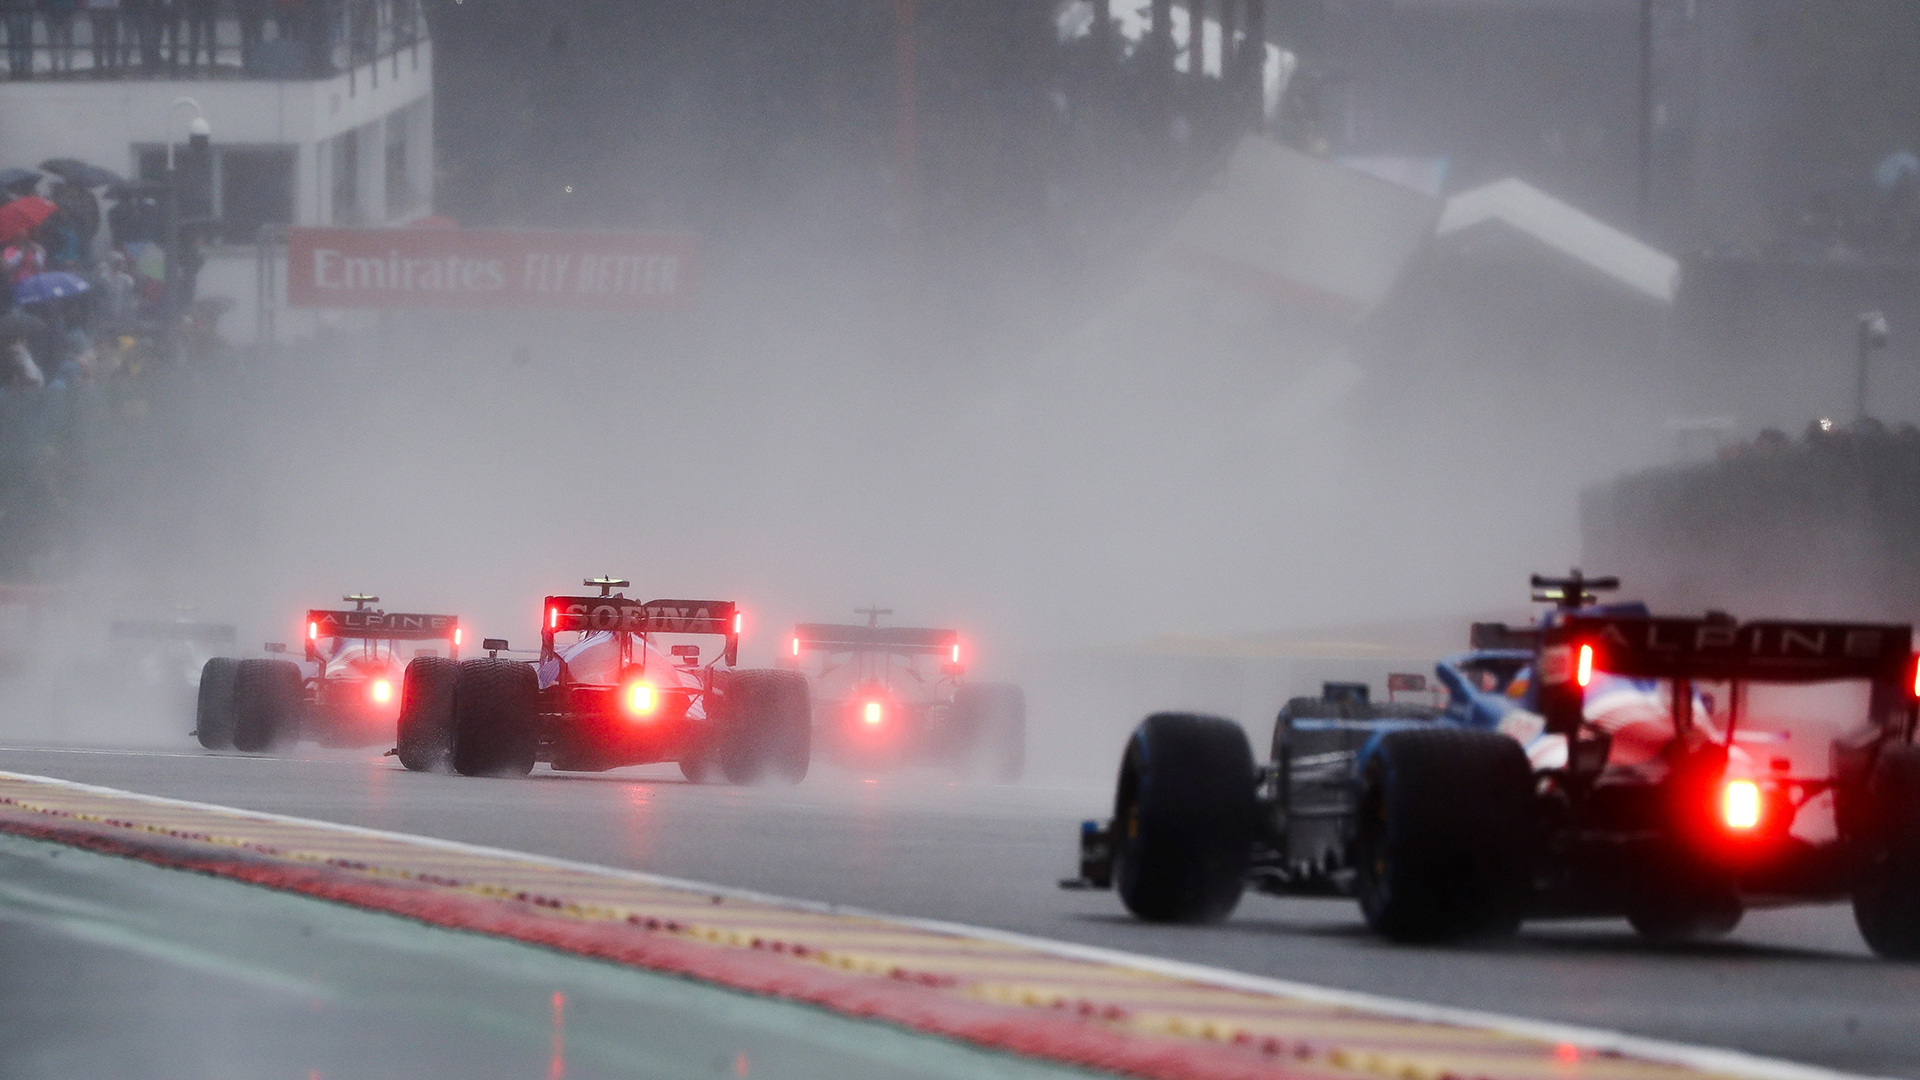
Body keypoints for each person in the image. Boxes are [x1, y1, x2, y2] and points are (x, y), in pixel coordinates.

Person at [82, 0, 118, 71]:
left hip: (96, 8)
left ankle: (99, 68)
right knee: (109, 40)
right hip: (108, 8)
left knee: (99, 40)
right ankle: (111, 67)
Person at [39, 0, 74, 72]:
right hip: (59, 10)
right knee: (61, 39)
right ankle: (61, 65)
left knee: (57, 39)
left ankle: (62, 65)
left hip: (61, 10)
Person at [2, 0, 34, 79]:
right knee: (16, 40)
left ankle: (24, 68)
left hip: (23, 10)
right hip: (12, 10)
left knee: (23, 40)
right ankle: (17, 68)